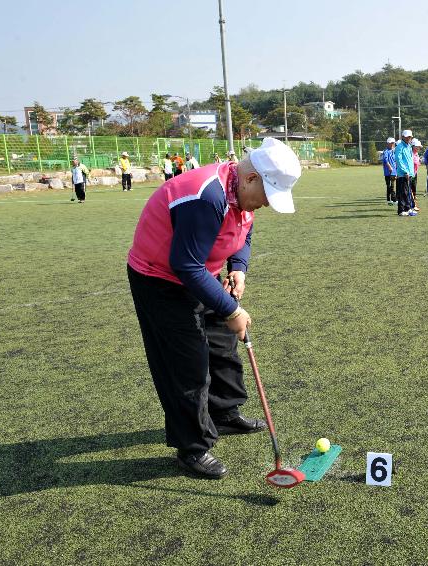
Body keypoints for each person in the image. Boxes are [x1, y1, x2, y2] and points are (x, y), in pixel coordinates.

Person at [127, 137, 302, 479]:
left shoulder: (242, 193)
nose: (265, 205)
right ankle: (191, 446)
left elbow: (244, 232)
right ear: (251, 178)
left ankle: (223, 413)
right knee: (187, 365)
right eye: (267, 195)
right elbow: (185, 264)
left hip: (200, 273)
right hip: (160, 280)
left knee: (222, 346)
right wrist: (232, 310)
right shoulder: (206, 196)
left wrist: (238, 266)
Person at [394, 130, 416, 217]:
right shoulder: (399, 147)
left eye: (409, 137)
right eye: (406, 137)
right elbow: (399, 160)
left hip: (409, 173)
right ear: (402, 137)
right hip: (403, 174)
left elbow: (410, 160)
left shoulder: (409, 146)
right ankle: (401, 210)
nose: (408, 138)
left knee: (408, 192)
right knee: (403, 192)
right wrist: (405, 171)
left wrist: (411, 172)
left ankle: (408, 208)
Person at [382, 137, 397, 205]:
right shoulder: (386, 151)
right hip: (388, 172)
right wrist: (389, 167)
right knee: (389, 186)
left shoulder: (394, 151)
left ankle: (390, 199)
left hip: (394, 171)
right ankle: (391, 199)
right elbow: (386, 160)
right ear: (387, 144)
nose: (391, 144)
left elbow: (395, 161)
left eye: (392, 143)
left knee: (392, 185)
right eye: (390, 143)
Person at [410, 138, 422, 210]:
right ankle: (413, 205)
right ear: (413, 146)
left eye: (419, 147)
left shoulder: (416, 154)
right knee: (410, 190)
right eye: (417, 147)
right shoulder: (410, 154)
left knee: (413, 189)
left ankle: (412, 204)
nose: (419, 148)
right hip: (410, 174)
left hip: (415, 174)